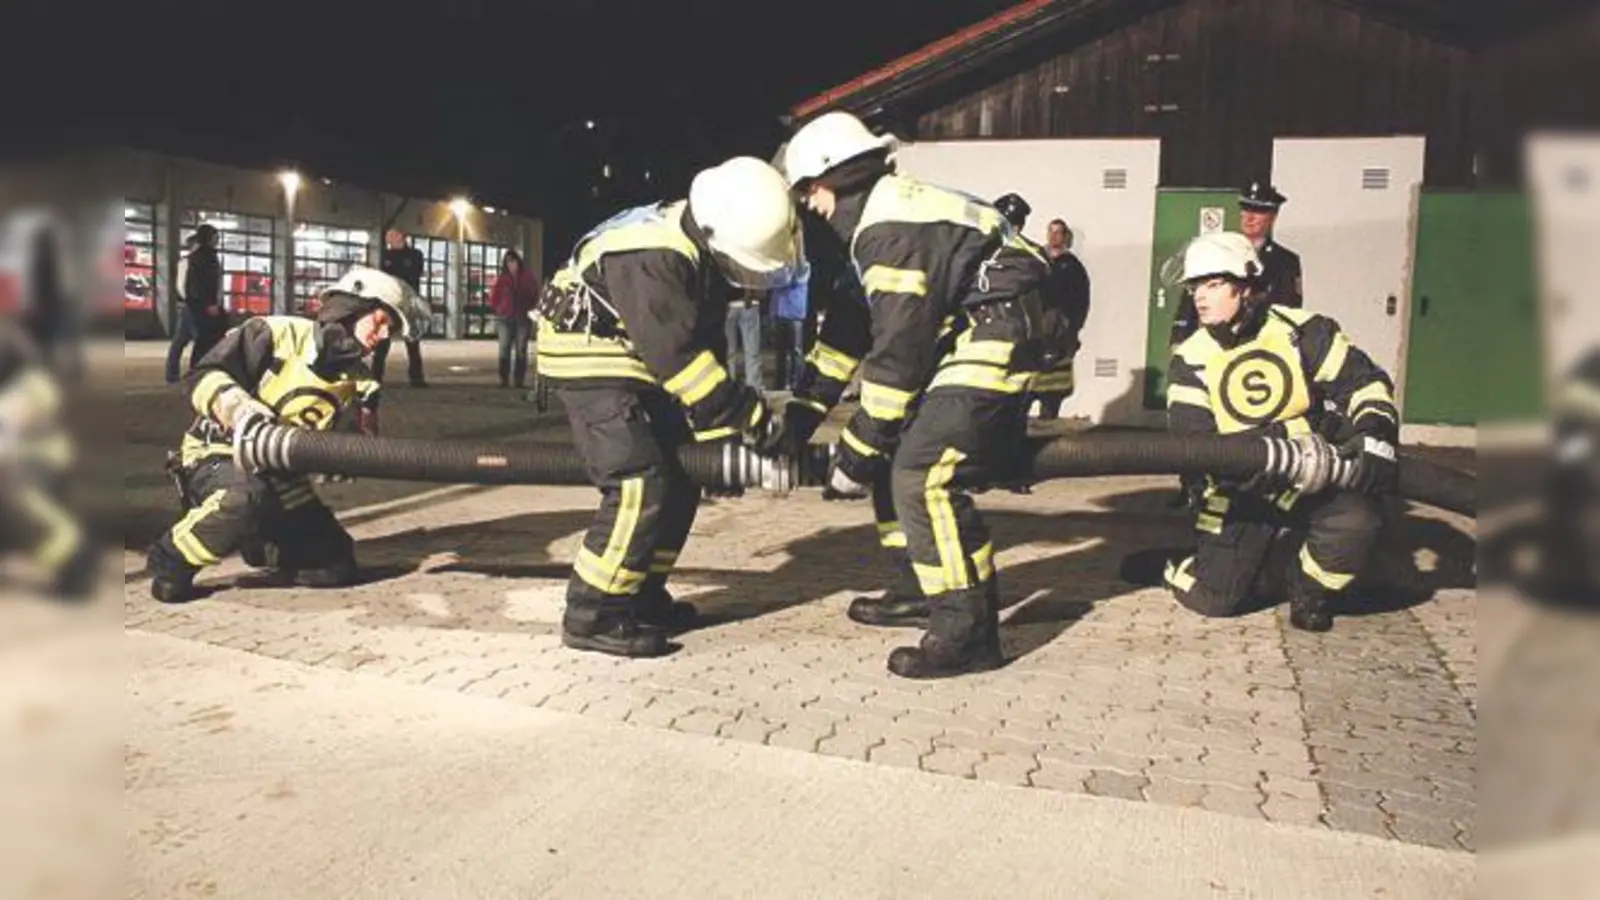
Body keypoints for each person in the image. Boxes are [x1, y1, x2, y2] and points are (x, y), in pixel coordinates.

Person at [778, 111, 1065, 679]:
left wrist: (855, 453)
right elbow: (848, 333)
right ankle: (914, 586)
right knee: (895, 455)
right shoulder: (881, 220)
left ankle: (967, 631)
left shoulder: (890, 230)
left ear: (832, 177)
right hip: (983, 326)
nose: (808, 204)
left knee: (922, 473)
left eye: (808, 190)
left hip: (997, 331)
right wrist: (798, 419)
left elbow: (899, 355)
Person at [533, 156, 799, 659]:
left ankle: (639, 594)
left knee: (681, 478)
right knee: (639, 481)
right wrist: (749, 419)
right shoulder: (652, 254)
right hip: (589, 357)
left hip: (635, 356)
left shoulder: (701, 246)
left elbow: (704, 347)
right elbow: (679, 363)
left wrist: (720, 434)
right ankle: (594, 613)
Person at [144, 266, 428, 604]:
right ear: (352, 307)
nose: (383, 336)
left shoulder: (361, 382)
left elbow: (355, 436)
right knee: (246, 497)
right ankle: (171, 560)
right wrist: (239, 409)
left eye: (390, 330)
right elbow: (203, 374)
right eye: (381, 321)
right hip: (217, 454)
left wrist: (344, 456)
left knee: (335, 564)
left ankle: (261, 541)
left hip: (281, 474)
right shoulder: (276, 333)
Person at [1164, 232, 1398, 632]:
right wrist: (1271, 448)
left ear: (1247, 286)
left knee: (1356, 521)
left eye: (1214, 284)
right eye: (1195, 286)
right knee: (1217, 600)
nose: (1200, 296)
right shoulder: (1191, 357)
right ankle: (1174, 564)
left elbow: (1365, 384)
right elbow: (1195, 446)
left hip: (1314, 469)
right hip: (1239, 484)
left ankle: (1308, 588)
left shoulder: (1302, 330)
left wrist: (1374, 435)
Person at [0, 319, 97, 598]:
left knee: (23, 507)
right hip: (33, 458)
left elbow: (7, 435)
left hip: (36, 463)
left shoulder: (27, 390)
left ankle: (73, 557)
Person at [1169, 180, 1302, 347]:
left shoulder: (1285, 261)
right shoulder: (1218, 249)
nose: (1249, 218)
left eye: (1258, 212)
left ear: (1272, 217)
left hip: (1261, 344)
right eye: (1245, 209)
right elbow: (1192, 296)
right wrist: (1179, 337)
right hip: (1214, 341)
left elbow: (1289, 308)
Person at [166, 224, 224, 384]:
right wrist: (207, 304)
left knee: (187, 341)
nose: (217, 239)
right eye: (215, 236)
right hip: (195, 307)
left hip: (196, 306)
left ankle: (180, 374)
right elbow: (187, 286)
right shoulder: (196, 259)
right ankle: (190, 374)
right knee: (199, 340)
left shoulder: (207, 256)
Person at [371, 230, 428, 387]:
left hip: (408, 301)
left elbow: (414, 274)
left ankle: (416, 378)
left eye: (393, 236)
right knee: (383, 340)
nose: (389, 239)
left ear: (402, 237)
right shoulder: (386, 255)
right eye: (388, 237)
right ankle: (376, 376)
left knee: (412, 340)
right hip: (390, 302)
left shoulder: (415, 255)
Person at [489, 249, 539, 389]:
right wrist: (498, 309)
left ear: (518, 262)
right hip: (505, 319)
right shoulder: (503, 279)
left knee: (521, 350)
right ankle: (504, 379)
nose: (512, 264)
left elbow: (534, 294)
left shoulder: (527, 277)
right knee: (504, 348)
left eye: (513, 261)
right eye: (508, 262)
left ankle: (519, 380)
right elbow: (494, 297)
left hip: (522, 318)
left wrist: (530, 307)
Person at [725, 287, 764, 390]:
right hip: (751, 302)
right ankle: (754, 387)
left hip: (728, 302)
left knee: (728, 352)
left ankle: (728, 386)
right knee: (752, 351)